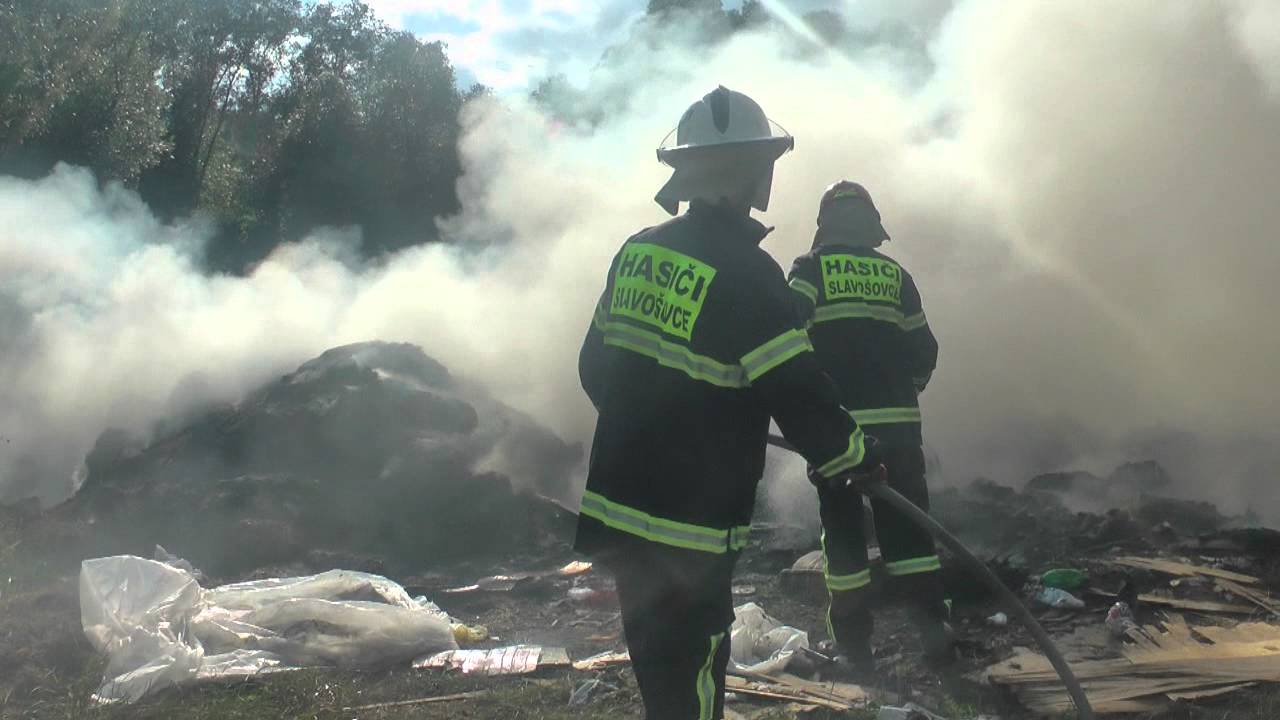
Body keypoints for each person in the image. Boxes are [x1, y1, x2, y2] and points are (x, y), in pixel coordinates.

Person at [574, 88, 882, 720]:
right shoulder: (749, 274)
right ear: (756, 172)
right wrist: (854, 455)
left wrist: (655, 413)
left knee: (657, 661)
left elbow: (594, 370)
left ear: (684, 172)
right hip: (691, 520)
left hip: (622, 506)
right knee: (694, 668)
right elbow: (800, 395)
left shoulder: (636, 252)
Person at [786, 180, 951, 673]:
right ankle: (936, 639)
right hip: (899, 430)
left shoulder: (811, 270)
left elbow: (785, 330)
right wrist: (904, 395)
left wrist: (805, 398)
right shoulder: (896, 276)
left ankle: (855, 652)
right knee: (912, 539)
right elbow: (926, 352)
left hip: (838, 434)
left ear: (826, 226)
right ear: (871, 227)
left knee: (843, 540)